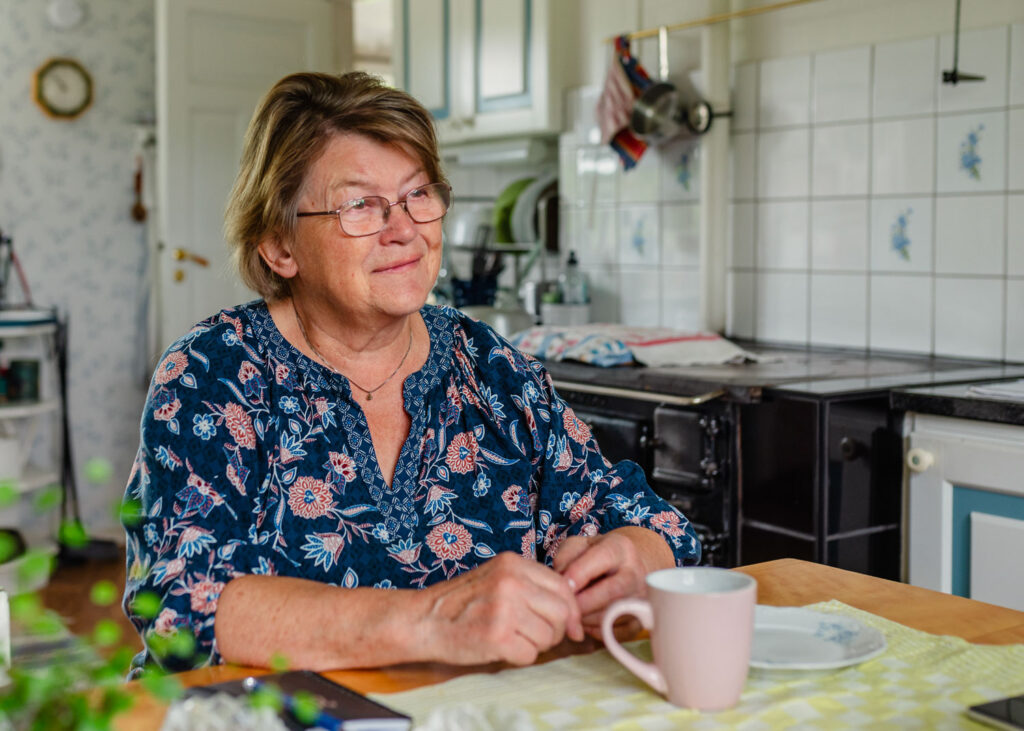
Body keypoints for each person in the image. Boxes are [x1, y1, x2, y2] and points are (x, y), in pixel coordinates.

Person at [122, 71, 701, 674]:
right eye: (359, 206)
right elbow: (178, 602)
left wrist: (635, 557)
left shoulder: (490, 368)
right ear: (280, 245)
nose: (404, 230)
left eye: (418, 195)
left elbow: (646, 520)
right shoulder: (215, 373)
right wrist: (433, 620)